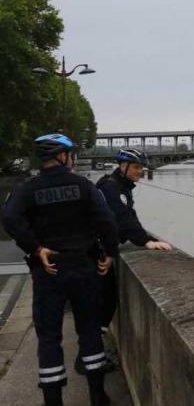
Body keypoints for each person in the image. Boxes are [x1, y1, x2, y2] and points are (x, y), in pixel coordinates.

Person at [1, 134, 119, 406]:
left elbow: (9, 217)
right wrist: (110, 252)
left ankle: (53, 401)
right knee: (90, 331)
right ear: (62, 156)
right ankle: (98, 396)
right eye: (70, 153)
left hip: (48, 270)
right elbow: (106, 221)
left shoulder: (27, 188)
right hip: (83, 267)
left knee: (49, 338)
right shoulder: (84, 186)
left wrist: (35, 248)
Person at [92, 149, 172, 359]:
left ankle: (93, 351)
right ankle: (90, 354)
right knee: (103, 302)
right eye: (137, 167)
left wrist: (146, 238)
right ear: (123, 166)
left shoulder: (118, 186)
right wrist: (146, 241)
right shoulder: (111, 188)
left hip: (102, 248)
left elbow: (129, 216)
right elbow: (122, 219)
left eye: (142, 168)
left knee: (104, 302)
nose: (141, 172)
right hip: (96, 251)